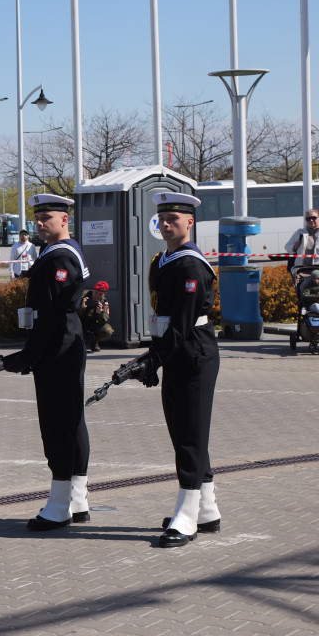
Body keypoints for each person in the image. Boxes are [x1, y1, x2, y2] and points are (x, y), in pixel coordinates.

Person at [0, 193, 92, 531]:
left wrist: (28, 355)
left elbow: (49, 316)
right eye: (37, 217)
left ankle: (59, 504)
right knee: (72, 421)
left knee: (57, 425)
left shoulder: (58, 257)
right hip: (65, 342)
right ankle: (76, 497)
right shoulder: (63, 251)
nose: (39, 223)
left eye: (46, 217)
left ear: (64, 220)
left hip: (57, 347)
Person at [131, 192, 221, 549]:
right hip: (177, 350)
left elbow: (182, 326)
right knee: (189, 430)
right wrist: (155, 357)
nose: (167, 224)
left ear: (190, 222)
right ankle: (208, 508)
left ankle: (187, 516)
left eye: (174, 218)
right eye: (162, 218)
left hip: (193, 352)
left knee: (188, 435)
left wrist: (152, 361)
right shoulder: (165, 259)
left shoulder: (189, 265)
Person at [284, 208, 319, 283]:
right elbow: (287, 246)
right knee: (304, 292)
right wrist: (294, 247)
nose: (311, 220)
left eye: (314, 218)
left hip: (317, 270)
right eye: (308, 219)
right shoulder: (300, 233)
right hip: (303, 270)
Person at [78, 281, 113, 352]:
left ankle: (95, 342)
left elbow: (106, 319)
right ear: (93, 290)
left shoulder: (104, 302)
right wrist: (82, 307)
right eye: (96, 292)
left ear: (104, 294)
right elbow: (73, 313)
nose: (97, 296)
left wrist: (100, 312)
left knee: (107, 331)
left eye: (100, 294)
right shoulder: (83, 296)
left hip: (93, 325)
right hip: (80, 323)